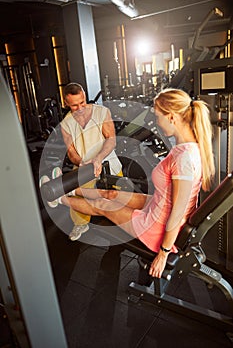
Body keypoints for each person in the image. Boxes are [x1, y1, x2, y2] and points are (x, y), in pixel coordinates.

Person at [42, 88, 215, 278]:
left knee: (103, 205)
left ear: (172, 117)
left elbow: (177, 212)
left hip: (156, 226)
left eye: (158, 117)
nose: (157, 122)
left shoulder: (185, 159)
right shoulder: (186, 148)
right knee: (111, 194)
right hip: (159, 207)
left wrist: (163, 253)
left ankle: (59, 199)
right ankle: (71, 191)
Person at [59, 82, 122, 241]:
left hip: (107, 160)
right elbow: (71, 152)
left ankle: (124, 220)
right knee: (77, 191)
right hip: (84, 165)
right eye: (74, 105)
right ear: (66, 103)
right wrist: (81, 163)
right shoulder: (66, 124)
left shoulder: (102, 112)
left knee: (121, 194)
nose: (80, 108)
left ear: (85, 96)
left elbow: (111, 139)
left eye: (82, 102)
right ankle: (81, 223)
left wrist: (98, 158)